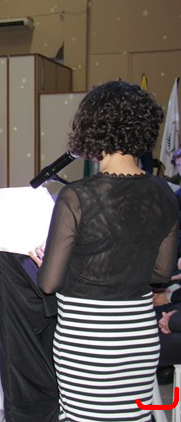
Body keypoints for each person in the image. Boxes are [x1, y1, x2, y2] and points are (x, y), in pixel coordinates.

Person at [30, 80, 178, 421]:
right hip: (138, 337)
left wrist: (47, 260)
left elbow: (48, 284)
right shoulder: (164, 193)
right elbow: (161, 273)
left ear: (91, 128)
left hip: (86, 343)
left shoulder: (77, 196)